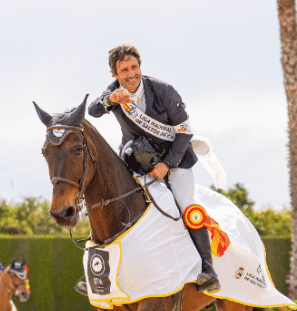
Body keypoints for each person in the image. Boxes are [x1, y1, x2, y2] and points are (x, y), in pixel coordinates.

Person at [77, 44, 220, 296]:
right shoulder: (114, 92)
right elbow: (93, 111)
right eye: (124, 71)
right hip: (137, 160)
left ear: (139, 67)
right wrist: (110, 100)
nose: (131, 75)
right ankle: (97, 271)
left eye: (134, 68)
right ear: (115, 75)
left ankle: (208, 269)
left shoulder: (163, 90)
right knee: (112, 203)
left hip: (175, 159)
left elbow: (184, 132)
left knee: (187, 205)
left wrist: (168, 164)